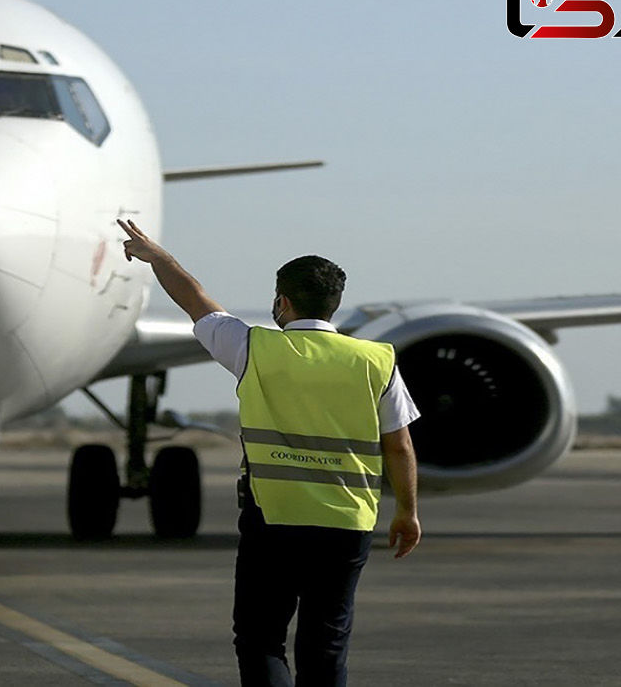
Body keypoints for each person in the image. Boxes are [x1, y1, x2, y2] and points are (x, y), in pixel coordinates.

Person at [118, 219, 421, 686]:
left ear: (282, 301)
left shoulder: (253, 348)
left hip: (273, 518)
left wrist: (158, 258)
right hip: (347, 522)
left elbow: (195, 300)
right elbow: (399, 445)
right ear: (335, 303)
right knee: (326, 643)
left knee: (260, 639)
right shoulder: (376, 361)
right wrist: (407, 511)